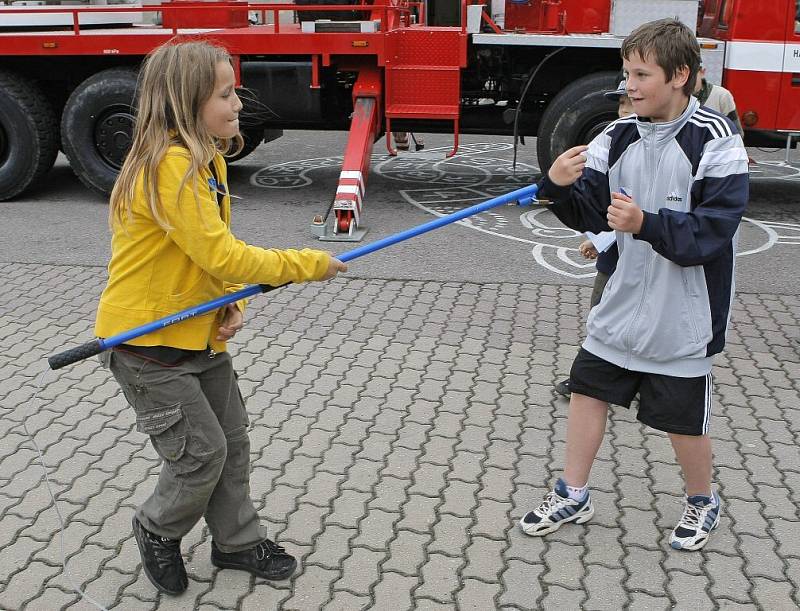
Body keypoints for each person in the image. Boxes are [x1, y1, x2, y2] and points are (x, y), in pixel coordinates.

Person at [94, 40, 347, 595]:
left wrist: (232, 301)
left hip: (197, 336)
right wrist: (306, 264)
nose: (238, 103)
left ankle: (235, 543)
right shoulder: (171, 164)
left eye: (235, 90)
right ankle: (157, 526)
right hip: (147, 348)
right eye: (225, 93)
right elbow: (222, 254)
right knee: (200, 456)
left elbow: (208, 254)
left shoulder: (205, 158)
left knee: (231, 442)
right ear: (187, 100)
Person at [521, 18, 748, 551]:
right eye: (627, 73)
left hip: (684, 313)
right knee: (587, 391)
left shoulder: (716, 140)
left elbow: (713, 233)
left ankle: (701, 502)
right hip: (622, 303)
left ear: (681, 75)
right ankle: (573, 492)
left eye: (642, 74)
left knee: (682, 421)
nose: (630, 86)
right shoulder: (614, 136)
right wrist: (553, 187)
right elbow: (589, 215)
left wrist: (645, 223)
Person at [554, 78, 631, 397]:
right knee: (601, 314)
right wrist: (599, 239)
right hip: (613, 257)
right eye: (621, 104)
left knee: (612, 317)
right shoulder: (614, 144)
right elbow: (602, 207)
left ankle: (599, 380)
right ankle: (595, 380)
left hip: (640, 257)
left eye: (630, 103)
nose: (624, 110)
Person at [693, 64, 744, 136]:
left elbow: (737, 133)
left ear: (702, 72)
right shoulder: (676, 96)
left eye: (692, 75)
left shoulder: (722, 96)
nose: (687, 80)